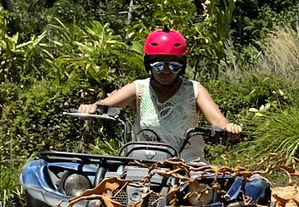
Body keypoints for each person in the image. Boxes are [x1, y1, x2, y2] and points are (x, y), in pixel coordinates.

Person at [78, 27, 241, 161]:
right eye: (158, 65)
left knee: (204, 195)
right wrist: (91, 108)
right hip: (144, 162)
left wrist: (229, 129)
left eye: (173, 66)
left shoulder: (194, 89)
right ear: (148, 64)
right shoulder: (138, 88)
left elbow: (219, 122)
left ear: (182, 66)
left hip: (188, 165)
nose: (165, 71)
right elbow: (106, 104)